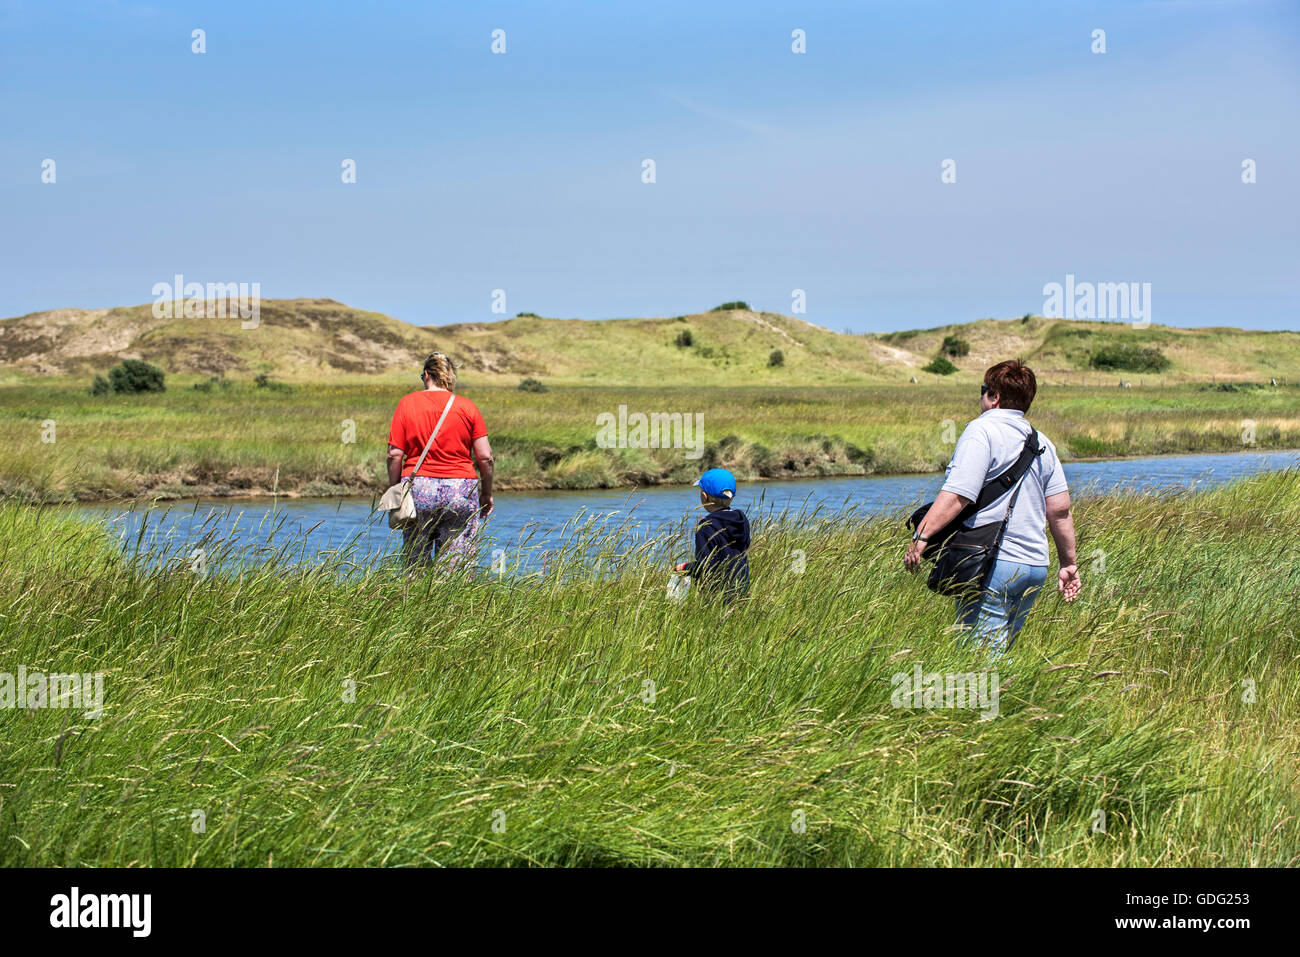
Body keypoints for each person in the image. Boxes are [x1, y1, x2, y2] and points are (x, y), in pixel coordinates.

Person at [904, 360, 1081, 650]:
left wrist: (921, 537)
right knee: (1002, 651)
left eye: (983, 390)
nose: (981, 396)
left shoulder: (981, 431)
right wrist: (1069, 564)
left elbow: (958, 495)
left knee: (981, 661)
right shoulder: (1042, 442)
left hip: (992, 562)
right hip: (1035, 566)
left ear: (995, 397)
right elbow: (1060, 509)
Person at [386, 352, 494, 568]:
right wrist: (487, 493)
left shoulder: (408, 403)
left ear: (426, 375)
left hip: (418, 491)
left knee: (416, 564)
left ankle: (416, 598)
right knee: (455, 568)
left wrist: (395, 489)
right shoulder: (467, 407)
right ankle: (454, 601)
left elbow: (394, 454)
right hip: (460, 490)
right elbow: (485, 457)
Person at [674, 467, 751, 600]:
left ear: (704, 497)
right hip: (741, 589)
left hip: (718, 596)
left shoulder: (706, 527)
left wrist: (686, 567)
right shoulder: (741, 520)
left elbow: (706, 568)